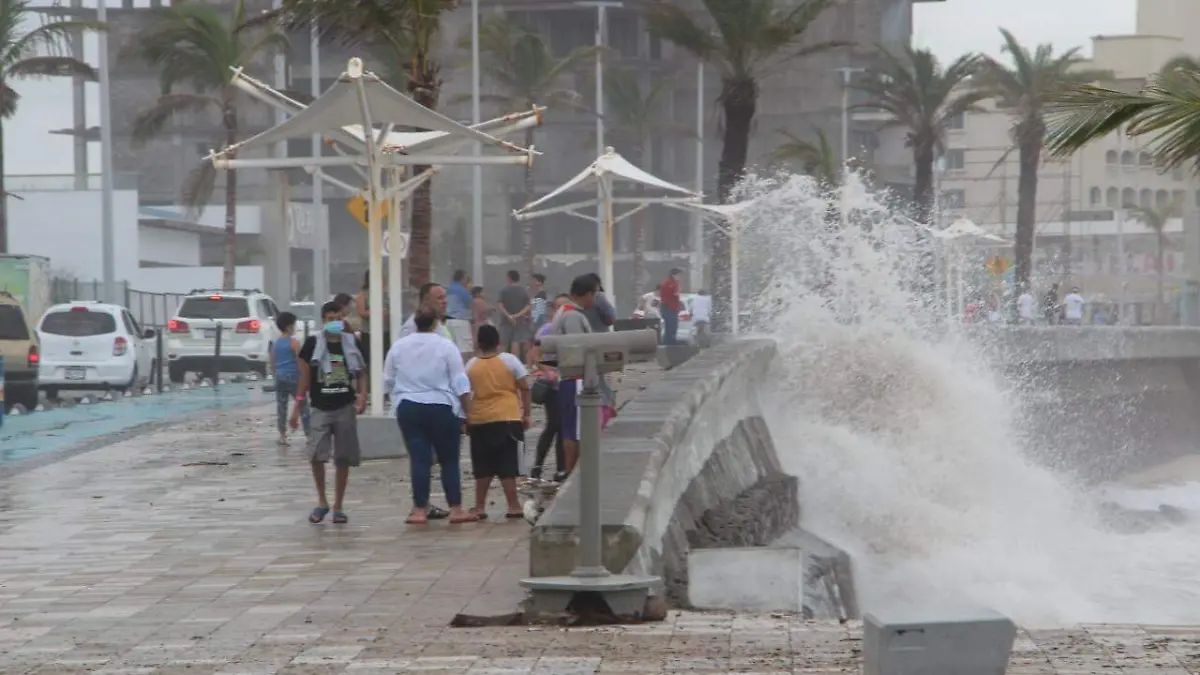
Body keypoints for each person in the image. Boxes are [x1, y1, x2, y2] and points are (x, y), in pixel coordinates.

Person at [385, 307, 476, 525]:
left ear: (415, 323)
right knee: (449, 459)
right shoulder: (446, 346)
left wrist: (397, 400)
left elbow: (387, 380)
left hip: (409, 407)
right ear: (436, 324)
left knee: (419, 458)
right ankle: (455, 508)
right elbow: (460, 381)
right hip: (442, 406)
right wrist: (468, 412)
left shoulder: (399, 347)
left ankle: (419, 509)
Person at [293, 301, 368, 525]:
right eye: (330, 318)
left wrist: (363, 395)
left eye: (338, 317)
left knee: (343, 458)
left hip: (345, 406)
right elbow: (305, 377)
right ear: (323, 320)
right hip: (320, 407)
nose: (334, 322)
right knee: (316, 455)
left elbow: (361, 371)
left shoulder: (351, 342)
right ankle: (322, 501)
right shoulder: (313, 343)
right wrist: (297, 407)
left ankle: (338, 506)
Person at [466, 324, 532, 519]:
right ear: (499, 342)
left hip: (480, 420)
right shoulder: (510, 361)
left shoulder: (471, 365)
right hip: (507, 417)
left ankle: (479, 507)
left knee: (482, 464)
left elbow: (465, 393)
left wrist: (466, 417)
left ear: (479, 343)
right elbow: (525, 387)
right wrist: (526, 414)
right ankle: (513, 505)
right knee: (508, 464)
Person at [548, 274, 599, 475]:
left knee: (571, 429)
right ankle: (572, 474)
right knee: (575, 432)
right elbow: (576, 350)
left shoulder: (565, 311)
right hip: (575, 380)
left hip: (568, 379)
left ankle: (571, 473)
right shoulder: (573, 317)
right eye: (594, 294)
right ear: (587, 294)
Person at [528, 295, 568, 482]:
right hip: (552, 385)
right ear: (553, 311)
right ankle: (538, 465)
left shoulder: (571, 329)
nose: (562, 311)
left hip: (568, 383)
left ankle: (561, 468)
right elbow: (535, 355)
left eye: (565, 307)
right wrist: (547, 371)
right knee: (554, 424)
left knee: (562, 427)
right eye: (559, 307)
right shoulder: (546, 330)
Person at [270, 311, 309, 445]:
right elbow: (300, 361)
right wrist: (304, 376)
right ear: (288, 327)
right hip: (293, 377)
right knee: (303, 406)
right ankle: (309, 435)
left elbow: (273, 362)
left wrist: (276, 375)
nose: (294, 328)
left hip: (280, 377)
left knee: (281, 407)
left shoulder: (276, 343)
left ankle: (282, 435)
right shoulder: (294, 343)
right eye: (293, 325)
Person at [498, 270, 533, 358]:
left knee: (503, 343)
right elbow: (529, 305)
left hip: (506, 322)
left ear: (509, 278)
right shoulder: (523, 290)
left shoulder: (504, 290)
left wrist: (509, 316)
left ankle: (501, 364)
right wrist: (518, 315)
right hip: (519, 321)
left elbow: (500, 306)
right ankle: (515, 364)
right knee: (516, 342)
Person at [660, 268, 683, 345]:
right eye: (678, 275)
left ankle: (671, 342)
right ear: (674, 275)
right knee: (670, 327)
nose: (679, 277)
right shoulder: (669, 283)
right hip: (668, 309)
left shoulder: (674, 283)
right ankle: (668, 344)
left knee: (673, 327)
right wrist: (678, 290)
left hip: (672, 309)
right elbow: (674, 294)